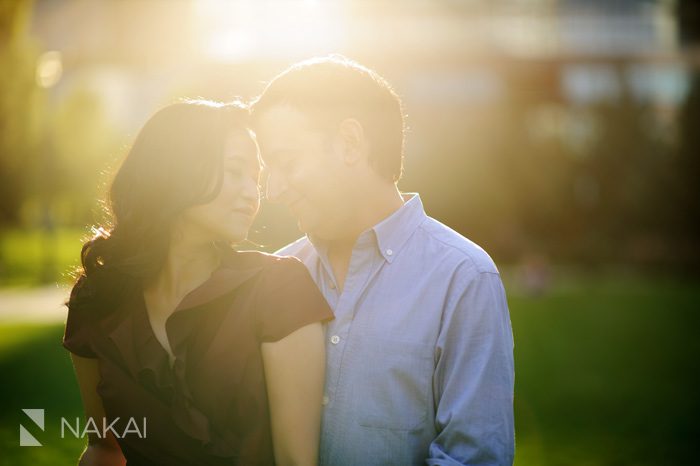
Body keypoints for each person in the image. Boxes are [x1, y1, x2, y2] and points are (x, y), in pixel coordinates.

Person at [251, 56, 515, 465]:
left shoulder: (463, 277)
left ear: (350, 144)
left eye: (286, 162)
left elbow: (472, 457)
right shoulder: (275, 275)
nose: (273, 191)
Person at [63, 100, 333, 466]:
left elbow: (296, 462)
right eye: (236, 171)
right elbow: (103, 448)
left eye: (255, 177)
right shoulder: (97, 297)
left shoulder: (278, 288)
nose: (253, 193)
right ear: (178, 171)